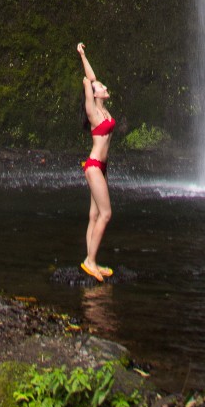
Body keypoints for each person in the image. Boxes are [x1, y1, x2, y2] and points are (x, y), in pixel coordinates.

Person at [76, 40, 115, 281]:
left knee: (93, 216)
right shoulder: (93, 111)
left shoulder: (105, 111)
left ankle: (92, 260)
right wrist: (82, 57)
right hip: (93, 167)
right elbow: (88, 80)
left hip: (101, 167)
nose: (104, 86)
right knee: (106, 214)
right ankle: (90, 261)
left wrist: (83, 54)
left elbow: (93, 78)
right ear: (94, 94)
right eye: (101, 86)